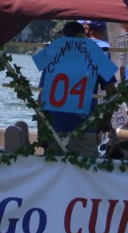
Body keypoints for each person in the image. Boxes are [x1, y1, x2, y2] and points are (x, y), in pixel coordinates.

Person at [33, 21, 117, 155]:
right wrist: (106, 121)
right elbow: (113, 92)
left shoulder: (53, 57)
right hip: (85, 129)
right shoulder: (95, 54)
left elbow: (41, 99)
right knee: (86, 168)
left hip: (54, 129)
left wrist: (42, 130)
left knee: (54, 167)